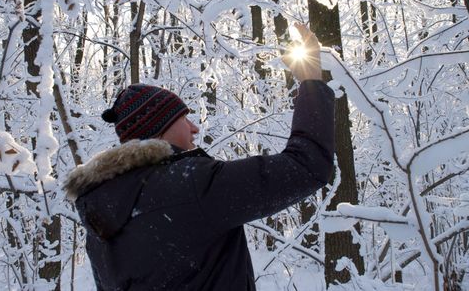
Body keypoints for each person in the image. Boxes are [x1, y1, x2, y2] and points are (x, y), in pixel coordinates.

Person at [64, 24, 334, 291]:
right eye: (183, 118)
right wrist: (311, 83)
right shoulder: (190, 184)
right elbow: (306, 166)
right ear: (158, 130)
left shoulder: (99, 217)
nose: (194, 127)